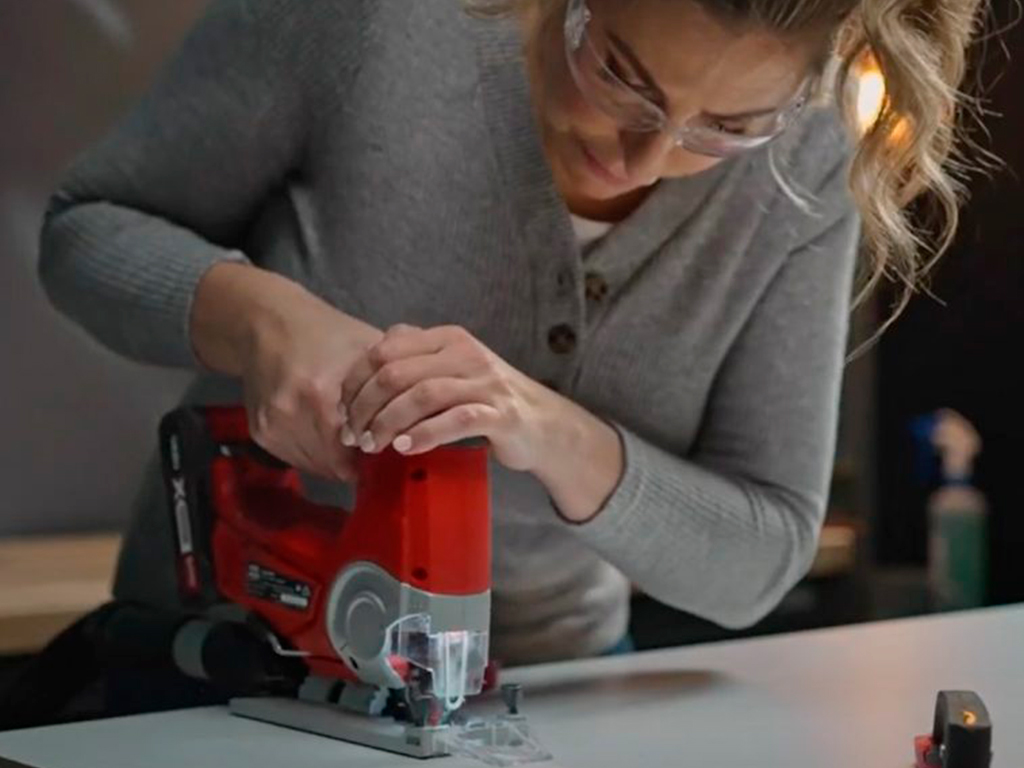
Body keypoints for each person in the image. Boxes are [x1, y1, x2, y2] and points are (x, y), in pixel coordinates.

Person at [38, 0, 983, 685]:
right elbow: (84, 230)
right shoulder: (369, 26)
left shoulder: (809, 161)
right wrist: (259, 314)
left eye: (726, 128)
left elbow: (761, 556)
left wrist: (553, 433)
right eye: (619, 72)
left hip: (554, 684)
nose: (643, 158)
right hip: (219, 661)